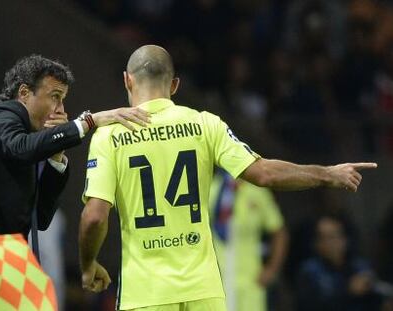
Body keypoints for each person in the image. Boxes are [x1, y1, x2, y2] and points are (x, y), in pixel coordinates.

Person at [78, 45, 377, 311]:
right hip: (203, 291)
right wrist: (327, 173)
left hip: (145, 292)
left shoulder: (109, 137)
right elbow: (264, 173)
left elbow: (94, 218)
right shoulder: (205, 124)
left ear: (127, 80)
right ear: (175, 85)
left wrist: (88, 263)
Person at [0, 55, 149, 311]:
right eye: (55, 96)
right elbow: (19, 148)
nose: (60, 108)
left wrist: (57, 155)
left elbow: (40, 217)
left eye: (63, 99)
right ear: (24, 93)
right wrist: (87, 122)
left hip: (2, 255)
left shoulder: (27, 138)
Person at [209, 169, 288, 311]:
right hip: (217, 278)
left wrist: (271, 269)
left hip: (250, 278)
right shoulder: (212, 188)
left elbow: (278, 231)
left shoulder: (257, 192)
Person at [296, 214, 381, 311]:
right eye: (323, 238)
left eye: (334, 236)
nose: (330, 243)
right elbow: (309, 305)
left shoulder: (359, 266)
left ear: (345, 239)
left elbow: (377, 300)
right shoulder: (309, 271)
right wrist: (347, 291)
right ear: (316, 243)